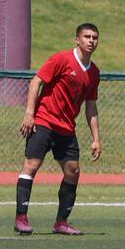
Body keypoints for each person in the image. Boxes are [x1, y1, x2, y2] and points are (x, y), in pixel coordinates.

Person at [14, 23, 102, 235]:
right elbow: (36, 82)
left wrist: (96, 138)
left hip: (66, 128)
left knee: (73, 171)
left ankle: (61, 222)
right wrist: (29, 114)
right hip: (44, 122)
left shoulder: (94, 72)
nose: (91, 41)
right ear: (77, 40)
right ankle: (21, 218)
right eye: (87, 37)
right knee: (31, 165)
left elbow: (91, 106)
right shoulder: (61, 59)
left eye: (95, 37)